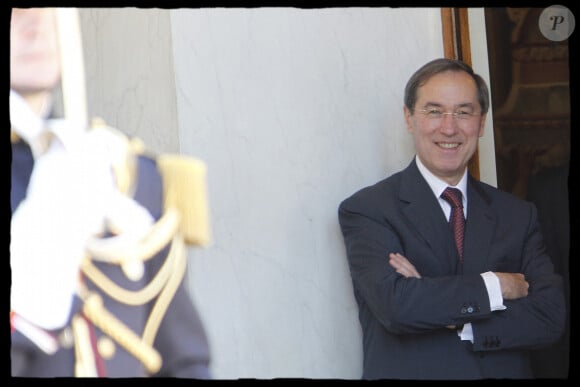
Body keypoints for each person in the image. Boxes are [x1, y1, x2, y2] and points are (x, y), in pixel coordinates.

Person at [10, 8, 212, 377]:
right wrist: (27, 313)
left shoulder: (131, 175)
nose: (36, 24)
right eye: (16, 12)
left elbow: (184, 361)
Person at [337, 58, 566, 379]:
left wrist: (447, 312)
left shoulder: (518, 214)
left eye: (463, 112)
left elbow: (549, 317)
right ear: (409, 118)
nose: (449, 127)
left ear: (482, 122)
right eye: (434, 111)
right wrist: (496, 286)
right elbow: (396, 307)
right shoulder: (369, 210)